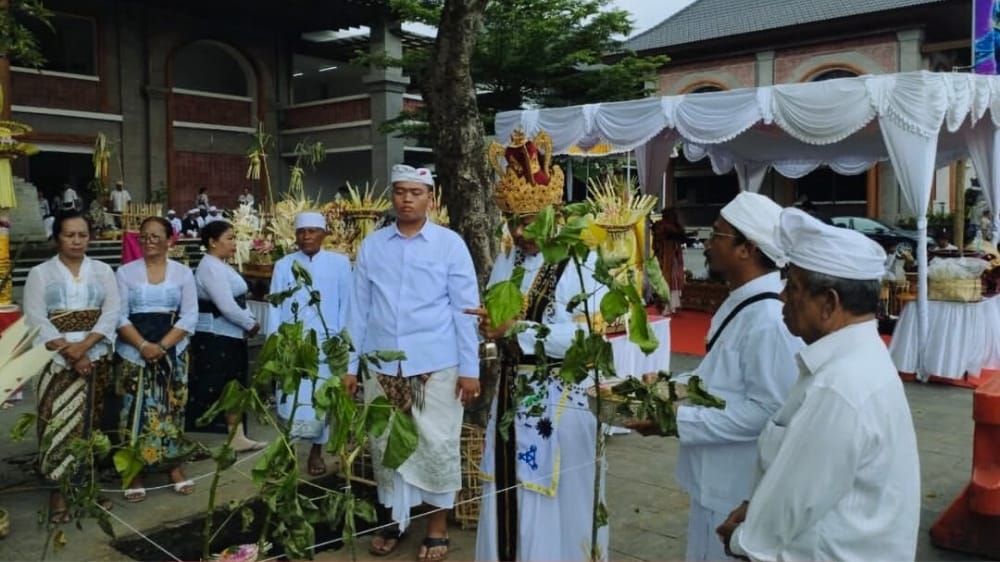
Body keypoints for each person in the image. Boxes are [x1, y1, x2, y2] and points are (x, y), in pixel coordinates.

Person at [717, 208, 920, 561]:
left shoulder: (840, 386)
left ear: (828, 303)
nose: (782, 297)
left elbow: (790, 506)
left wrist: (740, 539)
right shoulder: (852, 360)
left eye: (793, 287)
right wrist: (756, 506)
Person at [629, 192, 803, 561]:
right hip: (715, 480)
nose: (706, 245)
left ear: (746, 249)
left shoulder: (769, 320)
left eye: (716, 235)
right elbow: (718, 377)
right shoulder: (744, 302)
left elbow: (770, 411)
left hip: (736, 487)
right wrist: (668, 390)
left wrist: (676, 420)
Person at [345, 164, 480, 561]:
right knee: (386, 445)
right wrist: (349, 367)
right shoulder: (373, 245)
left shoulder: (449, 244)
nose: (407, 199)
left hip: (435, 365)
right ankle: (394, 520)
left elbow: (465, 310)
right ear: (393, 196)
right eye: (400, 191)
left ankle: (437, 528)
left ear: (430, 199)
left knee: (436, 444)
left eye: (415, 192)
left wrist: (470, 369)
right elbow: (358, 309)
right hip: (383, 366)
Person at [473, 203, 609, 560]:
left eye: (529, 222)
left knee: (558, 494)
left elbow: (589, 338)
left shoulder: (581, 260)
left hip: (561, 395)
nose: (519, 232)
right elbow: (493, 317)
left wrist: (516, 330)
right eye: (512, 222)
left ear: (554, 217)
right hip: (510, 392)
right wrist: (487, 326)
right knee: (507, 485)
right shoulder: (508, 260)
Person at [24, 211, 120, 522]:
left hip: (95, 356)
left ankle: (87, 488)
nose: (77, 241)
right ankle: (58, 493)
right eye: (69, 235)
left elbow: (111, 312)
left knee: (90, 425)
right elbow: (36, 318)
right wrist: (71, 353)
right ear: (57, 238)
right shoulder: (40, 273)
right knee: (56, 425)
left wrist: (85, 347)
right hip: (55, 361)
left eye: (83, 235)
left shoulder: (103, 271)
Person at [114, 216, 198, 502]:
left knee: (171, 408)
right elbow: (119, 315)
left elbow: (190, 315)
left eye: (155, 236)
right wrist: (142, 345)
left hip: (172, 350)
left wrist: (162, 346)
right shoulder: (125, 273)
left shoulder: (183, 273)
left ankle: (173, 466)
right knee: (132, 410)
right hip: (134, 352)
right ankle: (134, 471)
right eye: (144, 236)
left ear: (169, 240)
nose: (149, 241)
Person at [266, 211, 351, 477]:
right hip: (291, 344)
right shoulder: (284, 265)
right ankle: (288, 451)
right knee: (289, 397)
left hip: (326, 343)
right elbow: (274, 306)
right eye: (302, 232)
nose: (306, 237)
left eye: (312, 231)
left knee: (319, 400)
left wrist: (341, 342)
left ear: (324, 234)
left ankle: (316, 451)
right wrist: (275, 343)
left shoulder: (340, 263)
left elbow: (346, 304)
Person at [187, 220, 264, 451]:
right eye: (229, 238)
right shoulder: (210, 267)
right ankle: (213, 435)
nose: (234, 243)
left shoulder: (221, 265)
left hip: (231, 334)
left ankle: (236, 435)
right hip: (216, 335)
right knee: (218, 385)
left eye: (234, 238)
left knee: (234, 384)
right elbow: (227, 306)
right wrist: (250, 324)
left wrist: (247, 321)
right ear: (213, 242)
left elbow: (237, 301)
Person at [651, 207, 686, 314]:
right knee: (667, 280)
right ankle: (667, 306)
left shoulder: (666, 226)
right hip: (666, 257)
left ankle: (670, 305)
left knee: (671, 280)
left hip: (671, 257)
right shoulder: (665, 226)